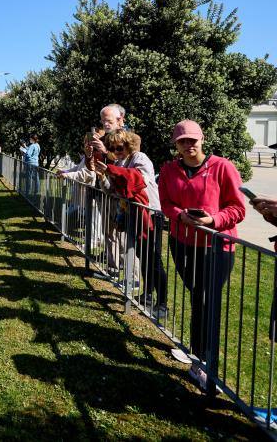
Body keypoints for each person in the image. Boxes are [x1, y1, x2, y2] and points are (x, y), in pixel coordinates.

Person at [158, 119, 246, 392]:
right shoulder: (169, 170)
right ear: (176, 144)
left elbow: (238, 207)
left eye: (193, 140)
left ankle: (207, 362)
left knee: (208, 300)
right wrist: (181, 216)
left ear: (203, 139)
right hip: (183, 242)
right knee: (198, 297)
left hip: (217, 246)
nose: (188, 145)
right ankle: (198, 358)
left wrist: (214, 220)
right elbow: (166, 203)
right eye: (183, 141)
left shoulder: (222, 167)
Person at [93, 129, 168, 319]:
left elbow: (138, 179)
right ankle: (148, 295)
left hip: (150, 214)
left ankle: (163, 303)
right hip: (133, 214)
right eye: (112, 148)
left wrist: (112, 170)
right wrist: (102, 176)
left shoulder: (140, 157)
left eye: (119, 147)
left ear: (128, 145)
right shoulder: (119, 163)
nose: (115, 151)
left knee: (154, 258)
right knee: (144, 257)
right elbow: (112, 191)